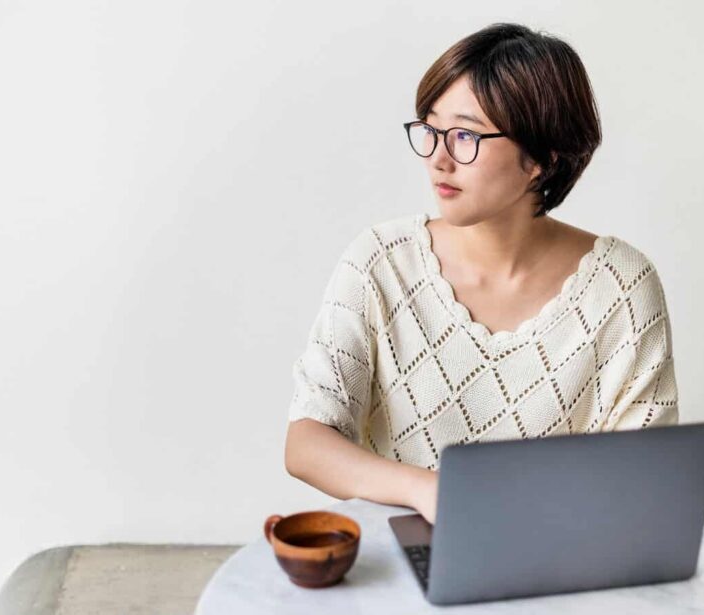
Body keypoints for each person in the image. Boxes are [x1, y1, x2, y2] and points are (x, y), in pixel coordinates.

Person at [284, 23, 678, 526]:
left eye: (466, 135)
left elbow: (644, 474)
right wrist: (430, 491)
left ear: (541, 158)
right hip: (406, 557)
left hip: (557, 554)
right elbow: (307, 442)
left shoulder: (622, 285)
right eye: (430, 130)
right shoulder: (381, 262)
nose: (439, 159)